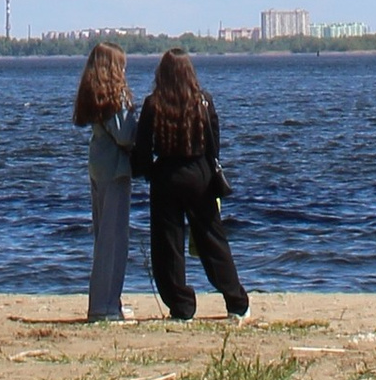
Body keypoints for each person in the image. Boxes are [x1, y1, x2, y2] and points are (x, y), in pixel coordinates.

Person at [132, 47, 249, 322]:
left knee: (167, 246)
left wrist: (148, 172)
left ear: (162, 73)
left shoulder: (153, 103)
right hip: (200, 175)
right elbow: (214, 144)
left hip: (166, 176)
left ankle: (182, 306)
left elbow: (142, 149)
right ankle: (236, 302)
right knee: (212, 241)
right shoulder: (204, 102)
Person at [74, 39, 139, 322]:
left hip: (98, 167)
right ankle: (104, 305)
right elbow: (126, 135)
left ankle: (108, 300)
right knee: (113, 240)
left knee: (103, 237)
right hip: (114, 170)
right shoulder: (116, 98)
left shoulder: (94, 95)